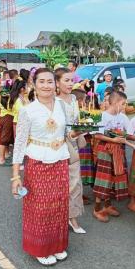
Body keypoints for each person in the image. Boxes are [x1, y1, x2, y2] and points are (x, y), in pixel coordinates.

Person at [11, 68, 72, 266]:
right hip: (38, 162)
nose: (46, 85)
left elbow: (67, 131)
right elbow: (20, 143)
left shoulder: (62, 105)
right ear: (34, 85)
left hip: (60, 160)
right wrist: (15, 176)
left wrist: (78, 133)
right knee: (40, 207)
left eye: (50, 82)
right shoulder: (27, 110)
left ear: (56, 85)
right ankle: (40, 248)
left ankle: (57, 245)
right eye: (42, 82)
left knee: (59, 204)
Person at [92, 91, 131, 222]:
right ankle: (97, 209)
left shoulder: (123, 117)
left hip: (118, 152)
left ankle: (107, 205)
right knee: (103, 180)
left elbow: (129, 134)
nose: (125, 106)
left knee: (113, 179)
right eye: (123, 103)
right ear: (114, 102)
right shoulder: (102, 116)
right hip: (105, 151)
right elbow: (96, 135)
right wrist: (113, 140)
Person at [56, 67, 86, 234]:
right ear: (57, 83)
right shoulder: (54, 101)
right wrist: (72, 133)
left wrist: (81, 129)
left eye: (71, 80)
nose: (70, 83)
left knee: (74, 183)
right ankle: (60, 215)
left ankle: (72, 217)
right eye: (66, 80)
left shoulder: (74, 98)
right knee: (60, 183)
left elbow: (77, 120)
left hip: (73, 143)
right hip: (60, 145)